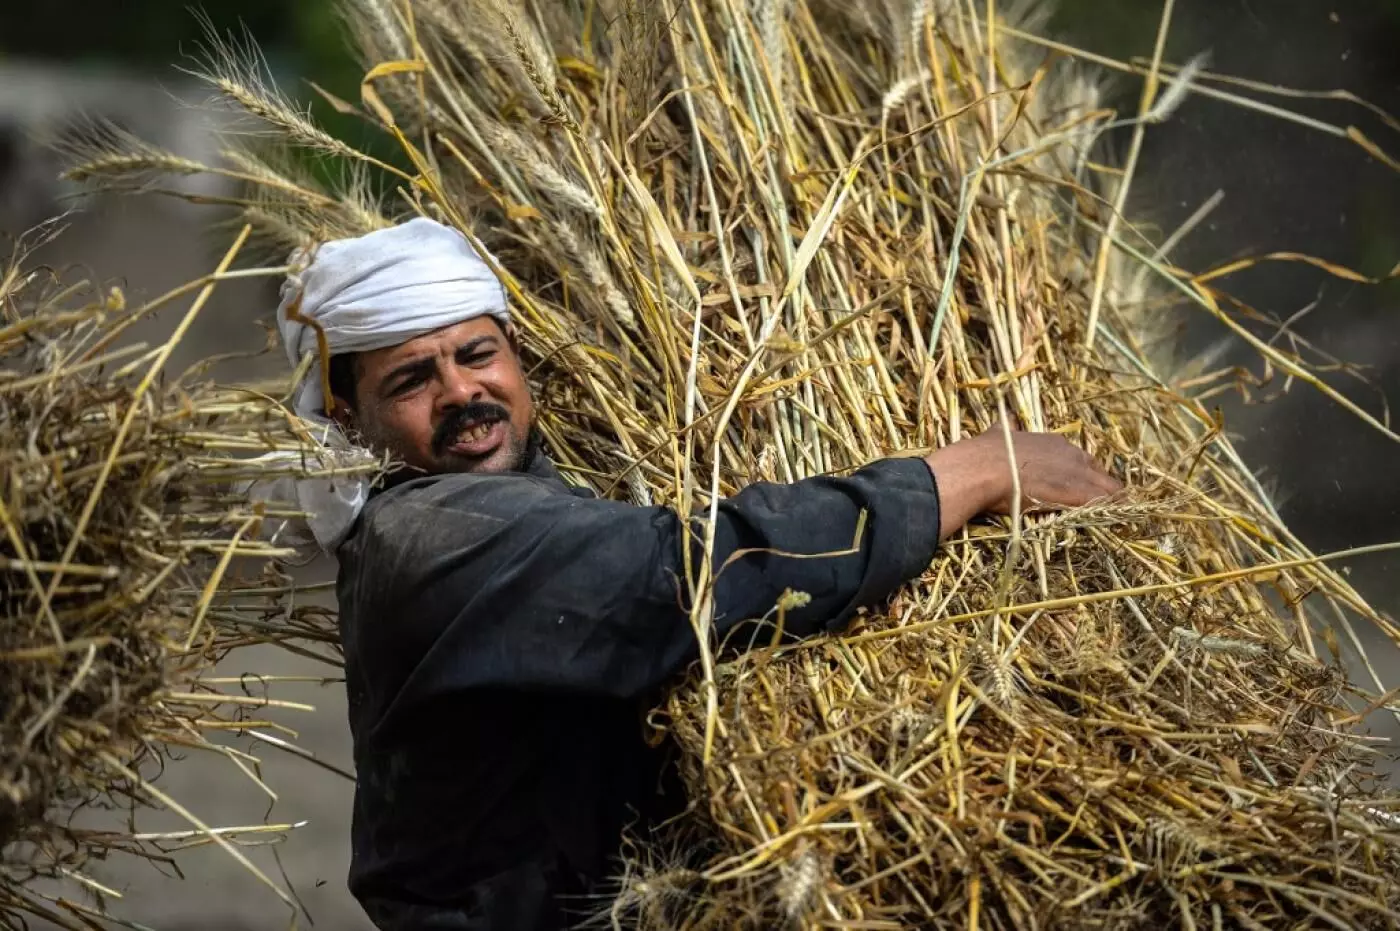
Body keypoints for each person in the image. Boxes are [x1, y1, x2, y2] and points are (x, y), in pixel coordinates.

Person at [268, 218, 1122, 931]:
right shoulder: (426, 535)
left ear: (517, 353)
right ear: (347, 416)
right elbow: (691, 570)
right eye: (414, 378)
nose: (462, 390)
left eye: (478, 352)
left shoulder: (519, 486)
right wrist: (971, 469)